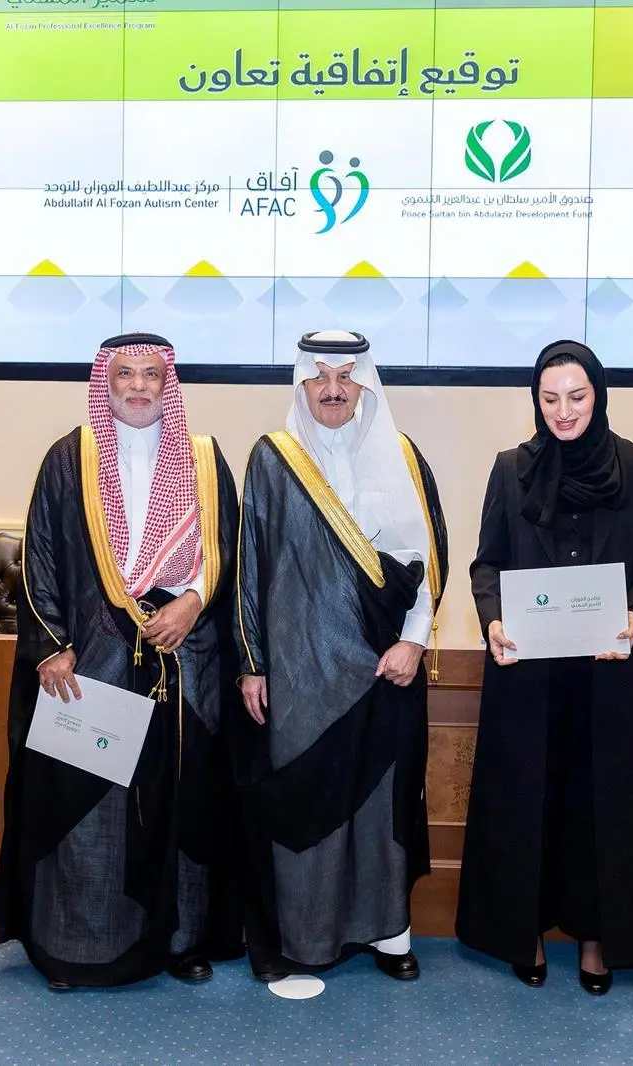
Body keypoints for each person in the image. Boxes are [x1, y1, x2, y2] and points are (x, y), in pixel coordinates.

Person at [0, 333, 242, 989]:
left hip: (183, 655)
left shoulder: (204, 459)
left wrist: (192, 602)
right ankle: (78, 948)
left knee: (182, 800)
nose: (137, 386)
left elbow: (228, 548)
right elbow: (41, 556)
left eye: (151, 375)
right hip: (94, 653)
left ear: (168, 384)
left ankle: (182, 942)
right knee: (90, 804)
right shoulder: (68, 458)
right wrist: (52, 645)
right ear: (106, 383)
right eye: (125, 374)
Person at [456, 340, 633, 995]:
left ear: (599, 396)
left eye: (577, 397)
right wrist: (492, 618)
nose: (564, 411)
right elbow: (487, 562)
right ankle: (522, 931)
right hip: (527, 671)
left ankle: (598, 936)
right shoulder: (510, 469)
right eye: (551, 398)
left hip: (611, 665)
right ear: (536, 400)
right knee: (527, 801)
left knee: (604, 803)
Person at [233, 330, 448, 987]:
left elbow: (430, 557)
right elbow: (249, 565)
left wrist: (414, 640)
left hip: (386, 669)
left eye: (346, 377)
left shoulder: (403, 455)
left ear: (365, 383)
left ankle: (390, 935)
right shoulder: (273, 459)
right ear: (301, 383)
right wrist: (252, 661)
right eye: (320, 376)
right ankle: (305, 935)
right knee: (307, 804)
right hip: (301, 674)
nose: (333, 389)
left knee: (382, 807)